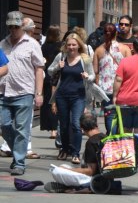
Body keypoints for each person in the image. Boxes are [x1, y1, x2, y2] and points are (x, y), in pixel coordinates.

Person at [0, 11, 45, 175]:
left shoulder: (32, 44)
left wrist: (38, 93)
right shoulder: (2, 44)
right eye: (10, 26)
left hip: (24, 91)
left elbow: (39, 69)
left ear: (22, 26)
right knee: (4, 125)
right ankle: (18, 152)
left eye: (16, 26)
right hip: (3, 92)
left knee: (22, 129)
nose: (13, 29)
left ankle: (19, 162)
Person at [48, 33, 95, 164]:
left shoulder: (85, 59)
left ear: (79, 45)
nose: (71, 47)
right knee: (63, 125)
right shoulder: (61, 57)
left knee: (75, 124)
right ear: (66, 46)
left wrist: (87, 76)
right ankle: (64, 149)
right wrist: (58, 67)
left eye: (74, 44)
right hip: (62, 95)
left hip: (78, 96)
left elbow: (92, 76)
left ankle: (75, 152)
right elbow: (50, 71)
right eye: (69, 45)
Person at [44, 113, 106, 193]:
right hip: (104, 177)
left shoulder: (91, 142)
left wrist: (70, 170)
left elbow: (91, 171)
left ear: (82, 128)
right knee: (63, 166)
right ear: (96, 124)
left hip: (94, 179)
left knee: (57, 171)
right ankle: (68, 186)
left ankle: (72, 187)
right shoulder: (105, 137)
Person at [92, 23, 131, 134]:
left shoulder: (98, 50)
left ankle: (111, 138)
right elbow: (130, 69)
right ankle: (121, 138)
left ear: (104, 34)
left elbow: (95, 72)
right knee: (123, 116)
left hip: (105, 89)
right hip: (122, 87)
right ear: (116, 33)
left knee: (109, 116)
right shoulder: (124, 49)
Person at [113, 38, 138, 136]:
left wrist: (114, 96)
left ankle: (127, 150)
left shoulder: (125, 61)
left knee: (125, 129)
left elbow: (118, 80)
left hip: (125, 99)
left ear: (133, 48)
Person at [40, 26, 62, 139]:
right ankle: (55, 128)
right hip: (57, 76)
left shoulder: (43, 47)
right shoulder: (60, 46)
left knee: (48, 102)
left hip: (46, 76)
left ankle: (51, 129)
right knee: (57, 102)